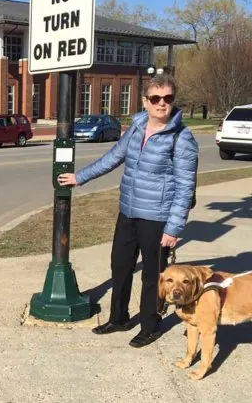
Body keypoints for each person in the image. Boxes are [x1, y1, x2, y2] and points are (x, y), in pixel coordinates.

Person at [58, 73, 198, 348]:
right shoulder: (136, 128)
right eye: (155, 98)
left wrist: (173, 228)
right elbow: (113, 157)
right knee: (120, 266)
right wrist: (80, 177)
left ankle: (150, 325)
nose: (161, 104)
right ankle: (119, 318)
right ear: (145, 101)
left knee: (152, 276)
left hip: (157, 218)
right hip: (129, 211)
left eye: (167, 98)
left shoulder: (181, 138)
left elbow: (185, 187)